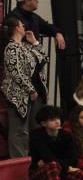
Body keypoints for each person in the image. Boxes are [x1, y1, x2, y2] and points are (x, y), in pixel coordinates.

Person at [2, 17, 48, 157]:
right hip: (19, 95)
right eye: (21, 25)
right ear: (17, 28)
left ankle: (34, 159)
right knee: (19, 131)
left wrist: (34, 42)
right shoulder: (11, 48)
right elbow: (15, 71)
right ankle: (19, 161)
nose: (24, 26)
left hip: (33, 94)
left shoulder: (25, 46)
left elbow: (43, 59)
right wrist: (30, 89)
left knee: (36, 129)